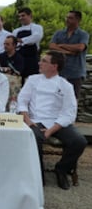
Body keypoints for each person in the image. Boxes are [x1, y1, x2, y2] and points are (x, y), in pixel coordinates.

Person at [17, 50, 87, 190]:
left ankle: (61, 169)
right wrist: (28, 119)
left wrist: (51, 130)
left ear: (54, 66)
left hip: (58, 122)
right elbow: (22, 101)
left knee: (79, 141)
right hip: (35, 119)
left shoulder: (65, 86)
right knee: (33, 137)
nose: (39, 63)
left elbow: (69, 112)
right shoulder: (33, 80)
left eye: (44, 61)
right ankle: (38, 176)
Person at [49, 10, 90, 98]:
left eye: (70, 18)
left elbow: (80, 47)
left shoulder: (83, 34)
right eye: (67, 17)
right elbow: (52, 46)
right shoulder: (59, 33)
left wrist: (62, 45)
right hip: (60, 71)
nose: (67, 20)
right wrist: (68, 52)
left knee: (73, 99)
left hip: (75, 72)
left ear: (78, 20)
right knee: (56, 98)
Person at [12, 7, 43, 80]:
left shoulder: (37, 27)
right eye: (19, 16)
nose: (20, 18)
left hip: (32, 60)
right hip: (19, 59)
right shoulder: (16, 31)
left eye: (23, 15)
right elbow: (13, 43)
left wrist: (21, 41)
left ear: (30, 16)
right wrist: (23, 42)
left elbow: (36, 37)